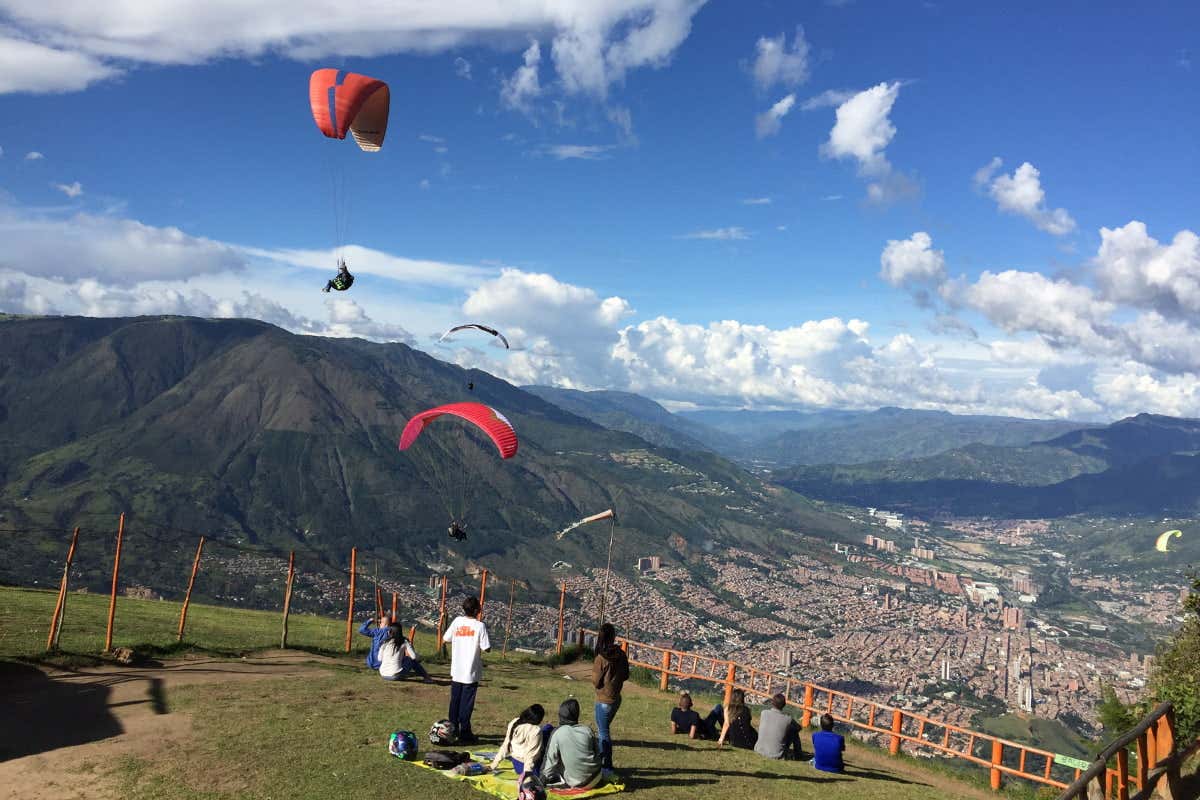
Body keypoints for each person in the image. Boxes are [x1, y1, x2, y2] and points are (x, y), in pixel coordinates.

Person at [441, 596, 490, 744]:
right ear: (476, 610)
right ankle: (465, 733)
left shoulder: (457, 621)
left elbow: (446, 638)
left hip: (456, 670)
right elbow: (486, 647)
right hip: (470, 672)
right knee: (466, 705)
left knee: (454, 702)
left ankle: (452, 729)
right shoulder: (480, 626)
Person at [592, 623, 629, 775]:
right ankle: (603, 762)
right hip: (616, 698)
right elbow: (626, 675)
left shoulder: (601, 658)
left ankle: (607, 766)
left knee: (603, 733)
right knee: (604, 730)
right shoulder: (621, 654)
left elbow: (596, 681)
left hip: (604, 700)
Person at [542, 698, 602, 790]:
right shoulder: (587, 730)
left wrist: (542, 779)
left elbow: (550, 761)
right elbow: (598, 754)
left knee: (557, 761)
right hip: (596, 779)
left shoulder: (558, 732)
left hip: (576, 783)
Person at [492, 704, 553, 776]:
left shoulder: (514, 722)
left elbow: (506, 745)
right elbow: (531, 755)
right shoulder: (535, 730)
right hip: (532, 769)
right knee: (549, 729)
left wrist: (494, 764)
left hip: (516, 763)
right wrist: (527, 774)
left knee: (547, 728)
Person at [754, 693, 804, 760]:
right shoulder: (788, 719)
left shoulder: (764, 713)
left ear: (772, 702)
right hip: (776, 754)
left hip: (758, 750)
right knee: (794, 731)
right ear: (784, 705)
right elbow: (799, 728)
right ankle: (799, 755)